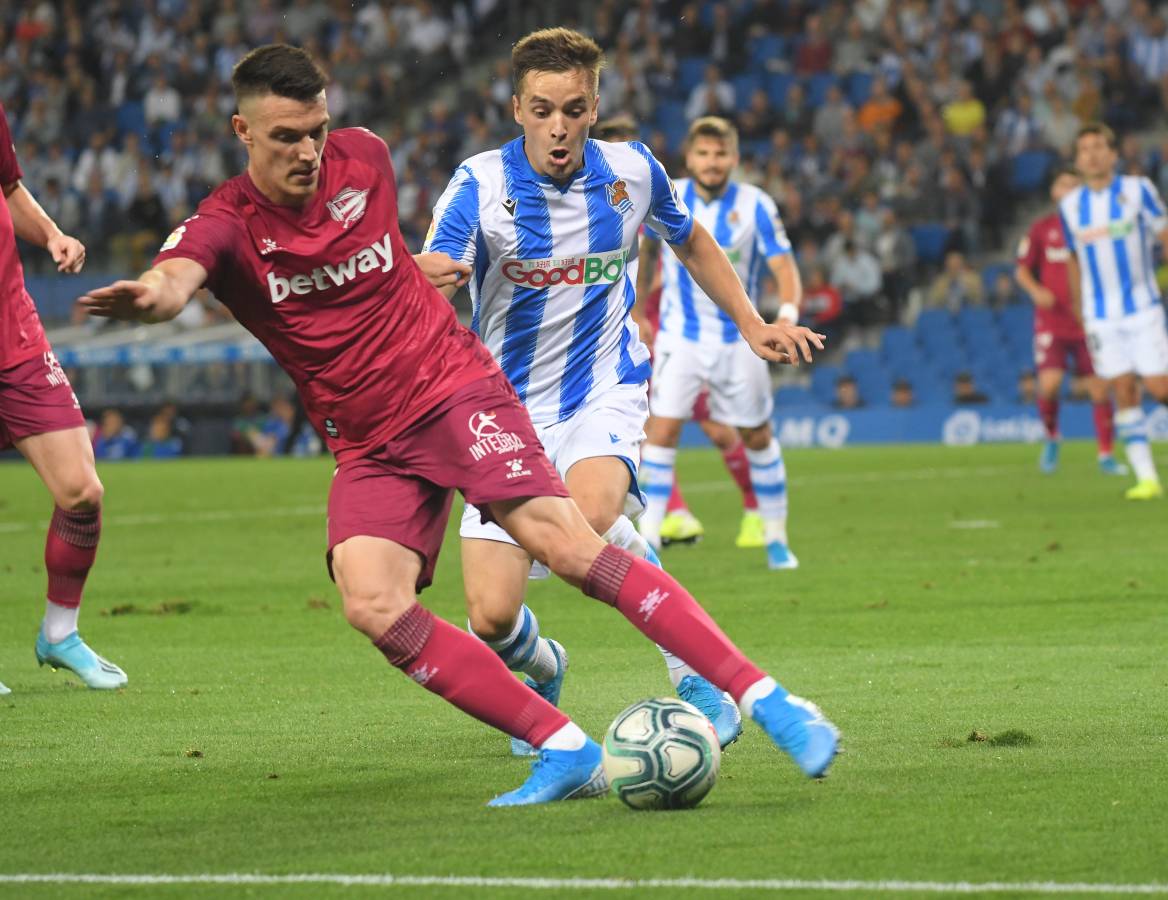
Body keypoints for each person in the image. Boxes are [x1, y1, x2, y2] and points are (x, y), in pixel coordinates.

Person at [80, 43, 837, 806]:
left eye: (317, 130)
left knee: (573, 540)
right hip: (367, 439)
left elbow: (395, 261)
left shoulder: (366, 158)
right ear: (242, 130)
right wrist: (152, 297)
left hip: (453, 389)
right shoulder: (227, 224)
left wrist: (751, 323)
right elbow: (176, 277)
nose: (309, 151)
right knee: (383, 602)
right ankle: (565, 747)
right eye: (286, 136)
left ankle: (767, 699)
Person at [422, 37, 823, 753]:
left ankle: (697, 675)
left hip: (602, 386)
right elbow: (437, 271)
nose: (558, 127)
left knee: (591, 514)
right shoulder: (478, 184)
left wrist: (752, 322)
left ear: (594, 108)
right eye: (542, 110)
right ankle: (546, 666)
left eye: (574, 110)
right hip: (503, 412)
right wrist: (413, 276)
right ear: (516, 109)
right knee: (491, 617)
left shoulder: (632, 171)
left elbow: (690, 239)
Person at [635, 116, 806, 571]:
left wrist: (786, 316)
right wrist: (638, 311)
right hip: (680, 338)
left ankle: (776, 541)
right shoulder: (669, 194)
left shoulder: (756, 205)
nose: (712, 162)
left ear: (734, 158)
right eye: (703, 154)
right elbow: (647, 254)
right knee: (661, 431)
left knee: (756, 435)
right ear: (689, 159)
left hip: (739, 339)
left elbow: (784, 267)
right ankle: (649, 544)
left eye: (720, 154)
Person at [0, 101, 126, 694]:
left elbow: (8, 189)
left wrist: (52, 234)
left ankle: (59, 632)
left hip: (15, 335)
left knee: (80, 490)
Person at [597, 115, 765, 554]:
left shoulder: (648, 195)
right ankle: (674, 512)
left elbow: (666, 258)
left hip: (668, 327)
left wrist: (644, 311)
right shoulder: (592, 204)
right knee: (651, 426)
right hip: (627, 331)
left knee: (715, 427)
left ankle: (753, 507)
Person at [1060, 124, 1168, 500]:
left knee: (1160, 388)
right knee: (1123, 389)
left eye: (1099, 146)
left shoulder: (1138, 191)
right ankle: (1147, 478)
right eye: (1084, 149)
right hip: (1101, 315)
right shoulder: (1070, 206)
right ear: (1078, 160)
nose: (1092, 154)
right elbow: (1073, 260)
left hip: (1142, 308)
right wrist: (1079, 309)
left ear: (1113, 154)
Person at [1015, 168, 1128, 476]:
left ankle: (1106, 454)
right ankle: (1052, 436)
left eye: (1074, 185)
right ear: (1054, 191)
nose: (1068, 190)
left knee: (1100, 390)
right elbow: (1021, 269)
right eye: (1063, 184)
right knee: (1049, 386)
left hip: (1089, 321)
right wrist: (1036, 291)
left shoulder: (1094, 227)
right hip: (1052, 322)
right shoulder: (1041, 229)